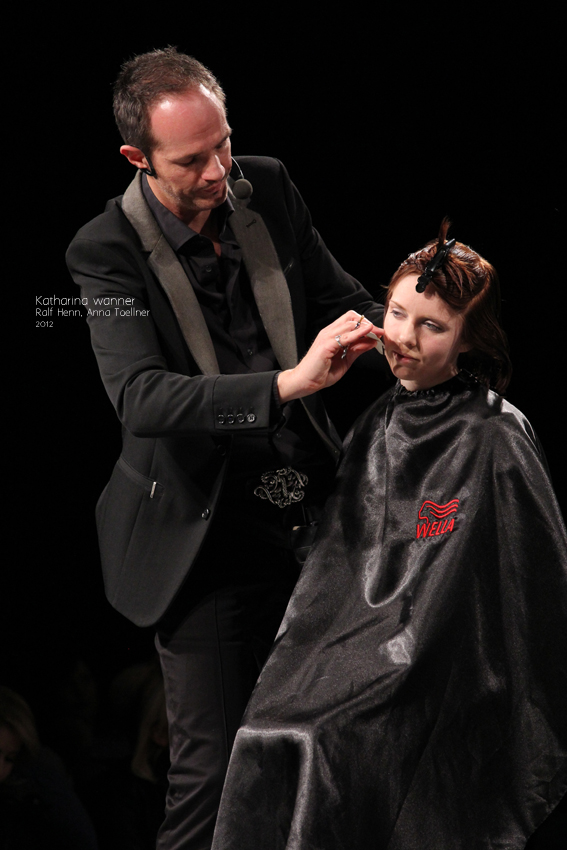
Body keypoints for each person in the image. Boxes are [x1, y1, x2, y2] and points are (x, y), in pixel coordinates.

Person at [65, 47, 384, 850]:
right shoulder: (103, 251)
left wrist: (413, 336)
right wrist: (288, 383)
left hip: (311, 507)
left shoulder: (265, 186)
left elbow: (343, 301)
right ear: (137, 158)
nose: (219, 172)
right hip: (203, 535)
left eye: (225, 144)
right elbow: (141, 397)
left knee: (338, 750)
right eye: (192, 160)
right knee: (214, 778)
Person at [211, 222, 567, 850]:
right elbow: (344, 557)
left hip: (442, 664)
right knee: (263, 732)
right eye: (397, 313)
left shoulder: (496, 435)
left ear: (468, 339)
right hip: (350, 647)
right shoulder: (378, 418)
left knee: (327, 742)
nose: (403, 337)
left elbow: (527, 587)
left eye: (432, 326)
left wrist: (415, 641)